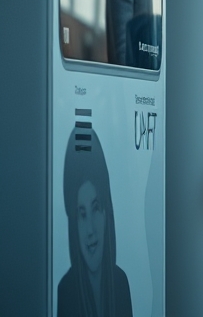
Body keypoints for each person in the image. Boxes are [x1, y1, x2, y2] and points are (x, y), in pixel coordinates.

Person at [58, 126, 134, 317]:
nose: (90, 230)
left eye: (95, 208)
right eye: (82, 214)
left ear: (106, 212)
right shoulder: (66, 291)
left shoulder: (120, 283)